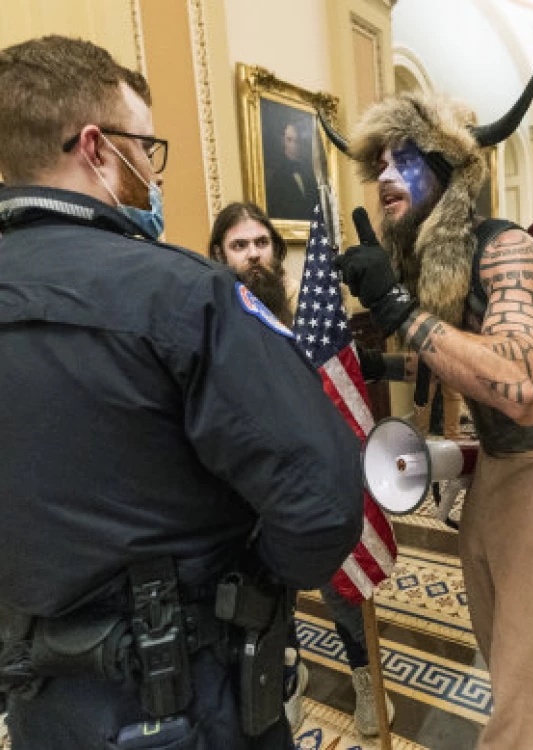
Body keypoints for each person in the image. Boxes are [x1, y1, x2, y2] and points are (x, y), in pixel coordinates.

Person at [0, 35, 364, 750]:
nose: (151, 171)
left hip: (40, 706)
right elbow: (322, 503)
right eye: (146, 146)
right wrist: (251, 585)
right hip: (186, 697)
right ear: (98, 149)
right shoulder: (183, 295)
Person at [322, 60, 533, 749]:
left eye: (405, 161)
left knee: (522, 712)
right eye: (378, 163)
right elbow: (454, 356)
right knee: (518, 672)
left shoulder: (508, 250)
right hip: (496, 478)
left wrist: (394, 307)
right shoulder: (451, 264)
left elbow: (513, 378)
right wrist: (375, 357)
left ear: (447, 172)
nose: (385, 178)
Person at [208, 201, 397, 737]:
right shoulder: (212, 316)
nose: (253, 256)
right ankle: (286, 676)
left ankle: (366, 677)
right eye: (239, 246)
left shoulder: (307, 312)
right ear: (220, 255)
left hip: (315, 476)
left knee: (342, 586)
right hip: (249, 484)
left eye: (260, 243)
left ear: (276, 248)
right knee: (270, 596)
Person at [265, 122, 317, 221]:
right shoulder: (277, 176)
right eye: (289, 140)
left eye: (297, 141)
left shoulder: (310, 173)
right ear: (282, 141)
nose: (294, 146)